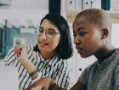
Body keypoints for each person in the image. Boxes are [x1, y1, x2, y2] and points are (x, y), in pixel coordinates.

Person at [24, 8, 119, 90]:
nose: (75, 41)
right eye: (75, 35)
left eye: (82, 33)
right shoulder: (89, 71)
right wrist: (49, 83)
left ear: (104, 34)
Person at [4, 13, 73, 90]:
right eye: (40, 30)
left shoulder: (64, 65)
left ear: (63, 39)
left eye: (50, 32)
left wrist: (26, 63)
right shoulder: (17, 52)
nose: (43, 37)